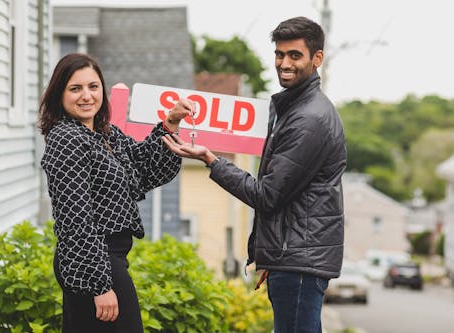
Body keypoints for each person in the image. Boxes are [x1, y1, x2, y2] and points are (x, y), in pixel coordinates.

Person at [163, 16, 346, 333]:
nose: (284, 63)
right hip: (292, 260)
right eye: (279, 54)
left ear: (317, 59)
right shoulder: (295, 109)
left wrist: (211, 159)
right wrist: (273, 257)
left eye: (295, 55)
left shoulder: (309, 119)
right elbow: (289, 196)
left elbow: (267, 195)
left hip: (298, 263)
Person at [39, 53, 193, 333]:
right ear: (59, 95)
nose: (86, 96)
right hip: (94, 262)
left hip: (106, 260)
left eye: (93, 86)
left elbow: (143, 165)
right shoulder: (67, 140)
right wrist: (100, 285)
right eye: (75, 89)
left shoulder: (105, 134)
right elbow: (75, 221)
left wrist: (170, 122)